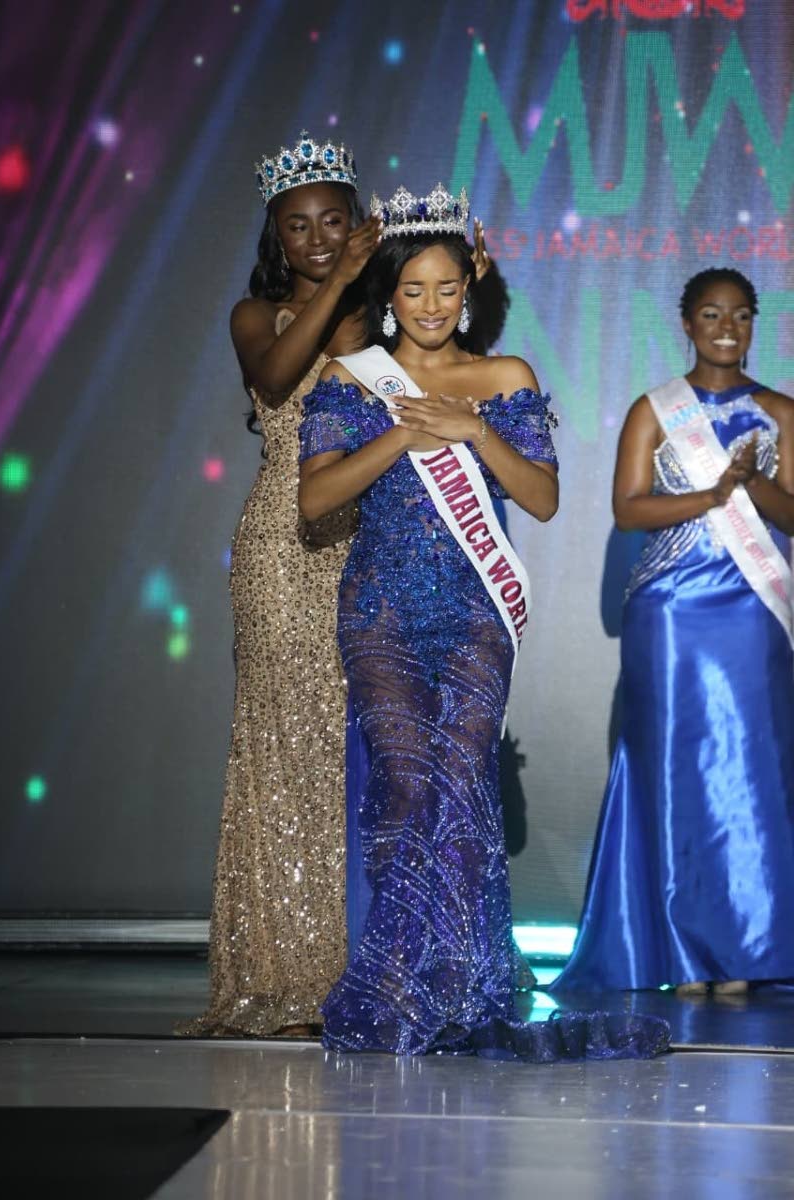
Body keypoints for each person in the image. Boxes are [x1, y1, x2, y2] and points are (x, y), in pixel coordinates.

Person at [298, 182, 670, 1059]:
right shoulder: (352, 380)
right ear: (388, 293)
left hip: (474, 614)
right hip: (380, 610)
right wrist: (400, 434)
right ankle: (401, 980)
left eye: (446, 288)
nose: (430, 306)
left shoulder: (506, 379)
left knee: (461, 784)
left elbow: (540, 498)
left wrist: (471, 432)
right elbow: (314, 502)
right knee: (405, 784)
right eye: (412, 289)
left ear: (470, 288)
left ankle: (461, 981)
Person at [552, 267, 794, 997]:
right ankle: (677, 952)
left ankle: (746, 947)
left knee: (749, 770)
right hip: (670, 611)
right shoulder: (654, 410)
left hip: (751, 610)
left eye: (741, 315)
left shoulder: (780, 411)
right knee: (672, 769)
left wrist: (750, 483)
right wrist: (713, 492)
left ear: (754, 324)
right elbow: (629, 509)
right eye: (712, 314)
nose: (727, 327)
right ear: (687, 323)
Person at [186, 132, 381, 1037]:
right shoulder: (255, 316)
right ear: (276, 236)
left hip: (370, 543)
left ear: (356, 222)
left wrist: (461, 275)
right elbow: (274, 376)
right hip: (281, 547)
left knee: (357, 749)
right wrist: (342, 284)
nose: (316, 238)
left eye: (332, 221)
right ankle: (284, 972)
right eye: (297, 226)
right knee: (284, 743)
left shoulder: (382, 313)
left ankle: (364, 965)